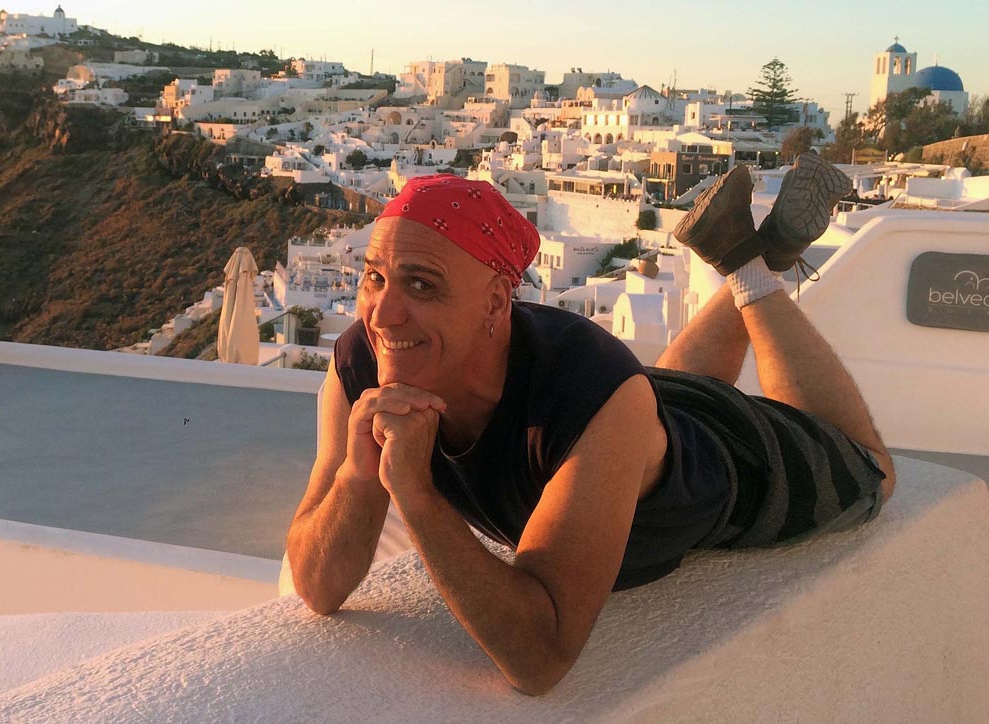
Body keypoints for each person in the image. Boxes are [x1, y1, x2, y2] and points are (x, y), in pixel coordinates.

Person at [286, 161, 895, 695]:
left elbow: (539, 660)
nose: (384, 313)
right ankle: (753, 256)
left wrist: (415, 495)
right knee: (647, 396)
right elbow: (317, 588)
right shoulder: (363, 363)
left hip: (734, 459)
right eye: (374, 277)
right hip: (646, 407)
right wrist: (358, 473)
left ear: (497, 303)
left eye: (422, 284)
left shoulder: (589, 396)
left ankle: (756, 269)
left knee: (875, 471)